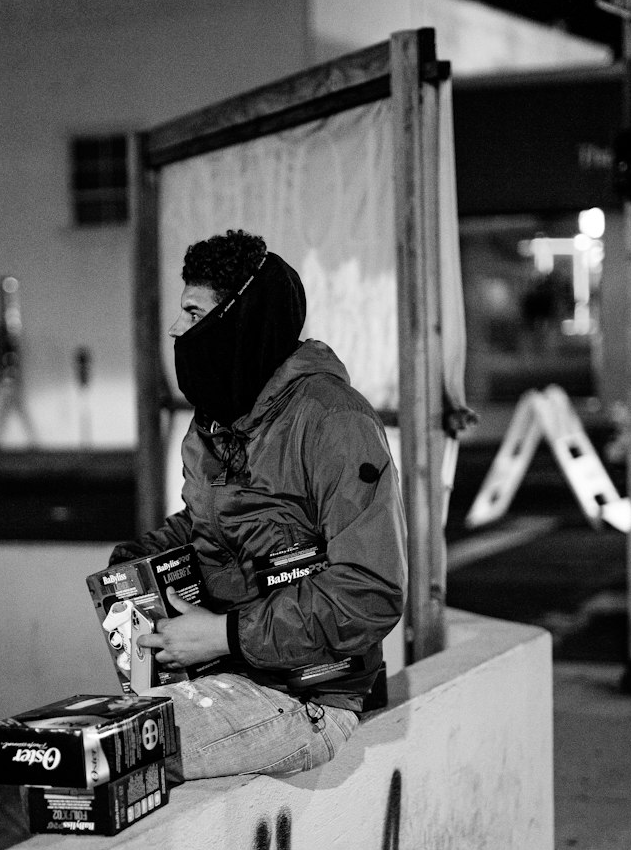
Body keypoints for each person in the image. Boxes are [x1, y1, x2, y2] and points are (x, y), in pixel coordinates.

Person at [109, 228, 408, 781]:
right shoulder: (214, 424)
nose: (177, 330)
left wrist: (221, 635)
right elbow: (211, 525)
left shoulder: (333, 421)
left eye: (194, 313)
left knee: (115, 753)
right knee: (106, 733)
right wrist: (140, 561)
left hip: (309, 696)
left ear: (240, 322)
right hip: (228, 675)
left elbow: (371, 590)